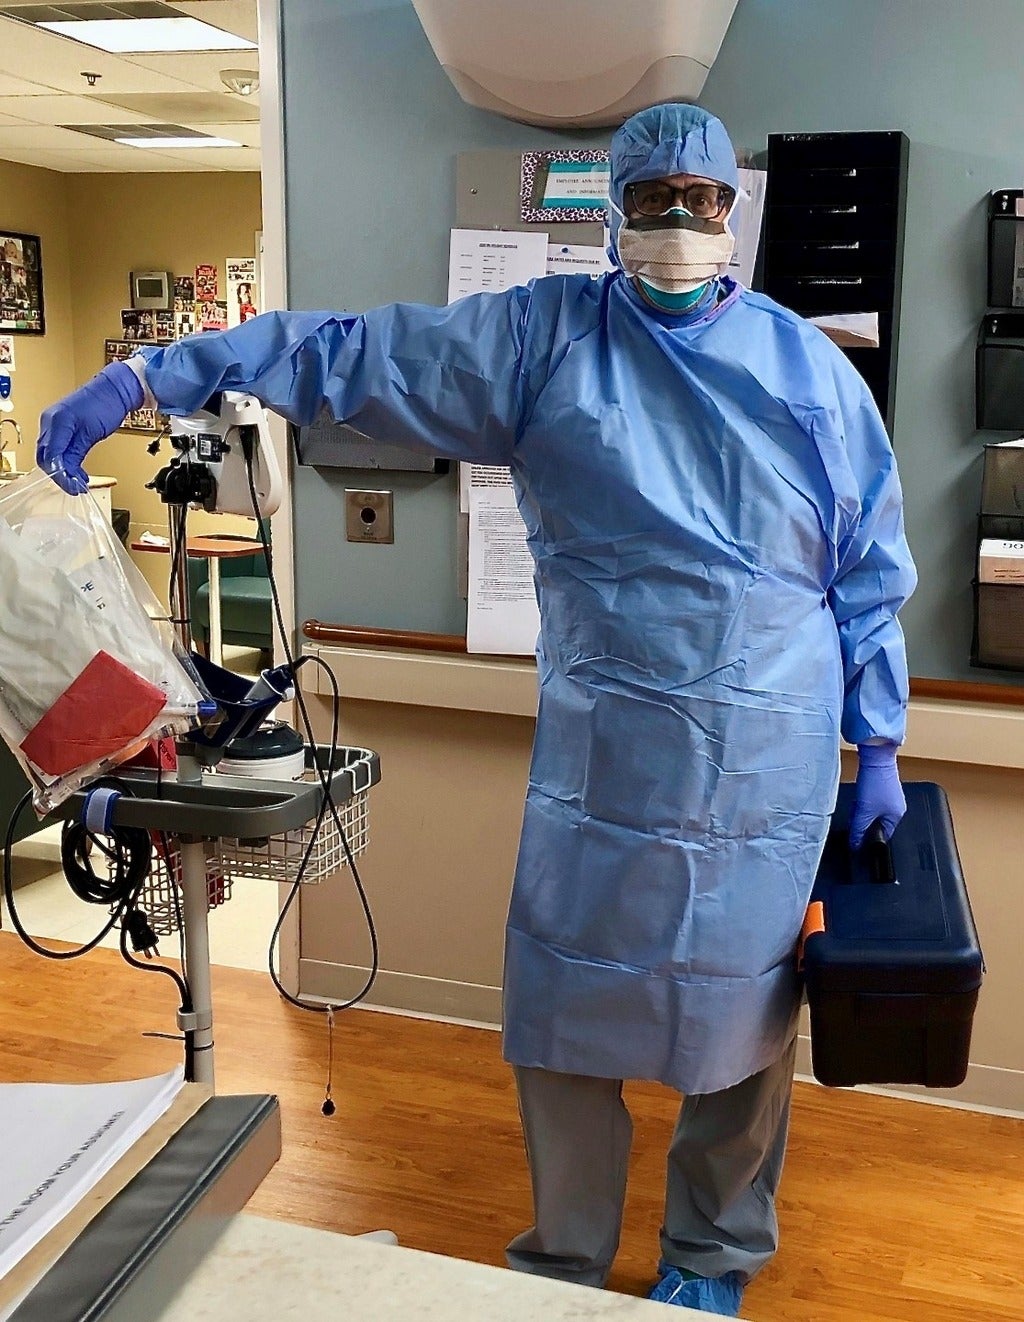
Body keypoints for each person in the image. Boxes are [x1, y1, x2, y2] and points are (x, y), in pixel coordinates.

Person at [36, 103, 916, 1316]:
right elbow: (347, 351)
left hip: (769, 752)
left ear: (733, 211)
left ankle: (708, 1259)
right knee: (564, 1014)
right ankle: (561, 1262)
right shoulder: (541, 341)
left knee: (744, 1030)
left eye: (698, 201)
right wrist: (154, 370)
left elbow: (867, 566)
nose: (675, 222)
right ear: (611, 213)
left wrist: (879, 743)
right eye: (649, 199)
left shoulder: (808, 370)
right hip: (610, 753)